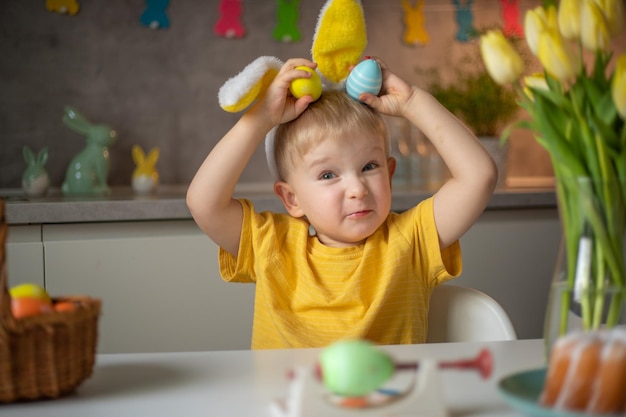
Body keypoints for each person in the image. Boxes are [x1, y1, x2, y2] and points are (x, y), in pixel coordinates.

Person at [187, 57, 497, 349]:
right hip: (288, 407)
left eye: (368, 167)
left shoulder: (411, 241)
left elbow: (478, 176)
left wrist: (413, 103)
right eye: (328, 174)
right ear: (292, 199)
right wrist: (260, 119)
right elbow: (204, 203)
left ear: (389, 175)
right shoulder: (272, 246)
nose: (357, 189)